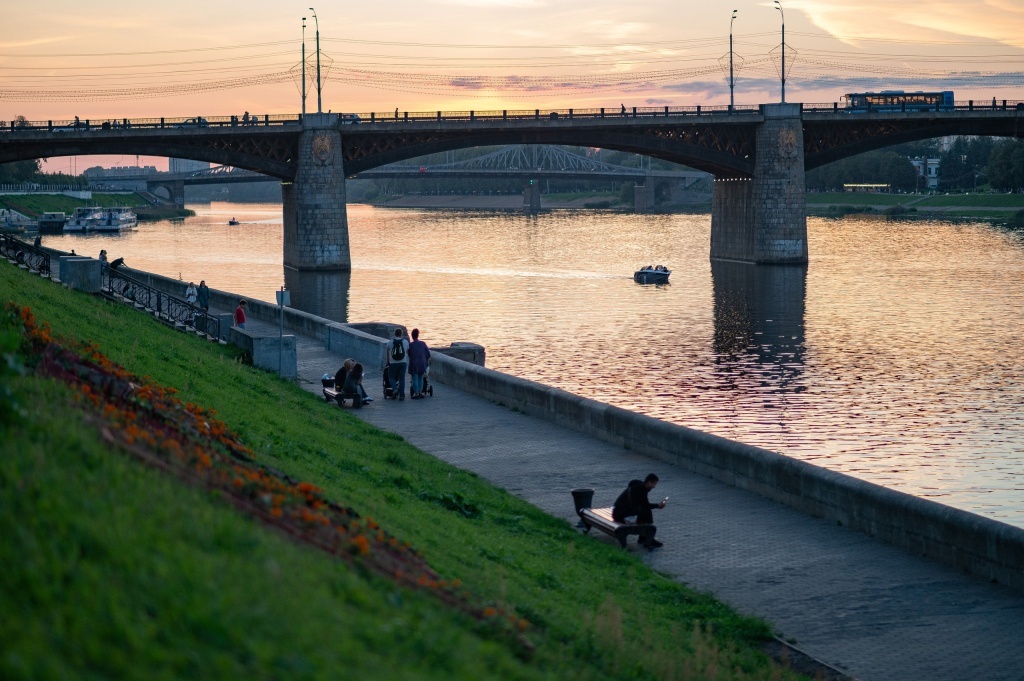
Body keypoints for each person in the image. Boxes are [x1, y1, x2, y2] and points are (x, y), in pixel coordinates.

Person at [612, 473, 666, 549]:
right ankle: (647, 537)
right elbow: (646, 505)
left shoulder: (638, 486)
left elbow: (642, 504)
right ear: (649, 482)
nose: (654, 486)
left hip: (618, 512)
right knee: (646, 511)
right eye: (654, 484)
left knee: (644, 511)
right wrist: (658, 505)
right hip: (620, 515)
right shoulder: (641, 489)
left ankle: (644, 537)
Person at [385, 327, 409, 401]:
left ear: (395, 334)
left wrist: (388, 361)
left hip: (393, 363)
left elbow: (387, 352)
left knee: (391, 376)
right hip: (403, 363)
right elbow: (407, 351)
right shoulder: (405, 342)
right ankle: (401, 395)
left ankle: (395, 389)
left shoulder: (390, 342)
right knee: (401, 378)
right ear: (401, 334)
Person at [407, 328, 431, 399]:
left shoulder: (410, 345)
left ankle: (416, 393)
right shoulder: (423, 344)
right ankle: (420, 392)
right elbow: (428, 354)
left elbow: (409, 353)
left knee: (414, 378)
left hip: (414, 363)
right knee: (420, 377)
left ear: (412, 336)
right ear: (418, 335)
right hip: (422, 363)